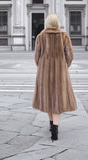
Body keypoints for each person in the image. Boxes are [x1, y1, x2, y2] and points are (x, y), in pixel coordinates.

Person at [32, 13, 77, 142]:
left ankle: (52, 125)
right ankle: (55, 129)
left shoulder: (41, 36)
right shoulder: (64, 35)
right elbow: (70, 55)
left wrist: (41, 67)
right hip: (60, 74)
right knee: (57, 101)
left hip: (44, 73)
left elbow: (37, 57)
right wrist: (63, 66)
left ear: (47, 23)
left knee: (48, 100)